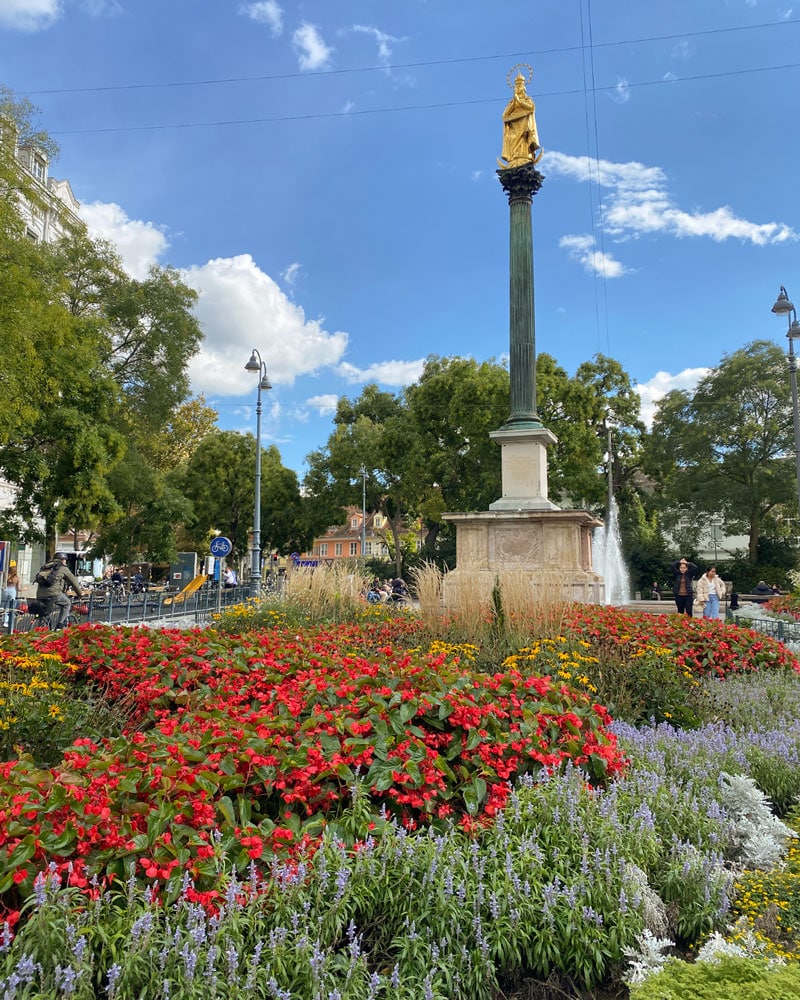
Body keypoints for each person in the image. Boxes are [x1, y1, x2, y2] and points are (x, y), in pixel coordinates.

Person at [498, 72, 541, 168]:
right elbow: (505, 115)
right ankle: (514, 157)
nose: (518, 88)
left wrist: (519, 101)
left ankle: (525, 156)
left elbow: (531, 108)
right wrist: (514, 102)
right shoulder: (512, 102)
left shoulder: (527, 99)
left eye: (520, 85)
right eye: (516, 86)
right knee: (513, 139)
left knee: (524, 139)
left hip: (524, 123)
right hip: (514, 124)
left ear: (523, 87)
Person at [35, 552, 85, 629]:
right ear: (63, 560)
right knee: (67, 603)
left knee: (45, 612)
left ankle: (41, 626)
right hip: (54, 594)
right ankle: (60, 624)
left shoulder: (46, 566)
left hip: (40, 594)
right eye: (65, 560)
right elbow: (73, 582)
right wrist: (80, 594)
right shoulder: (63, 568)